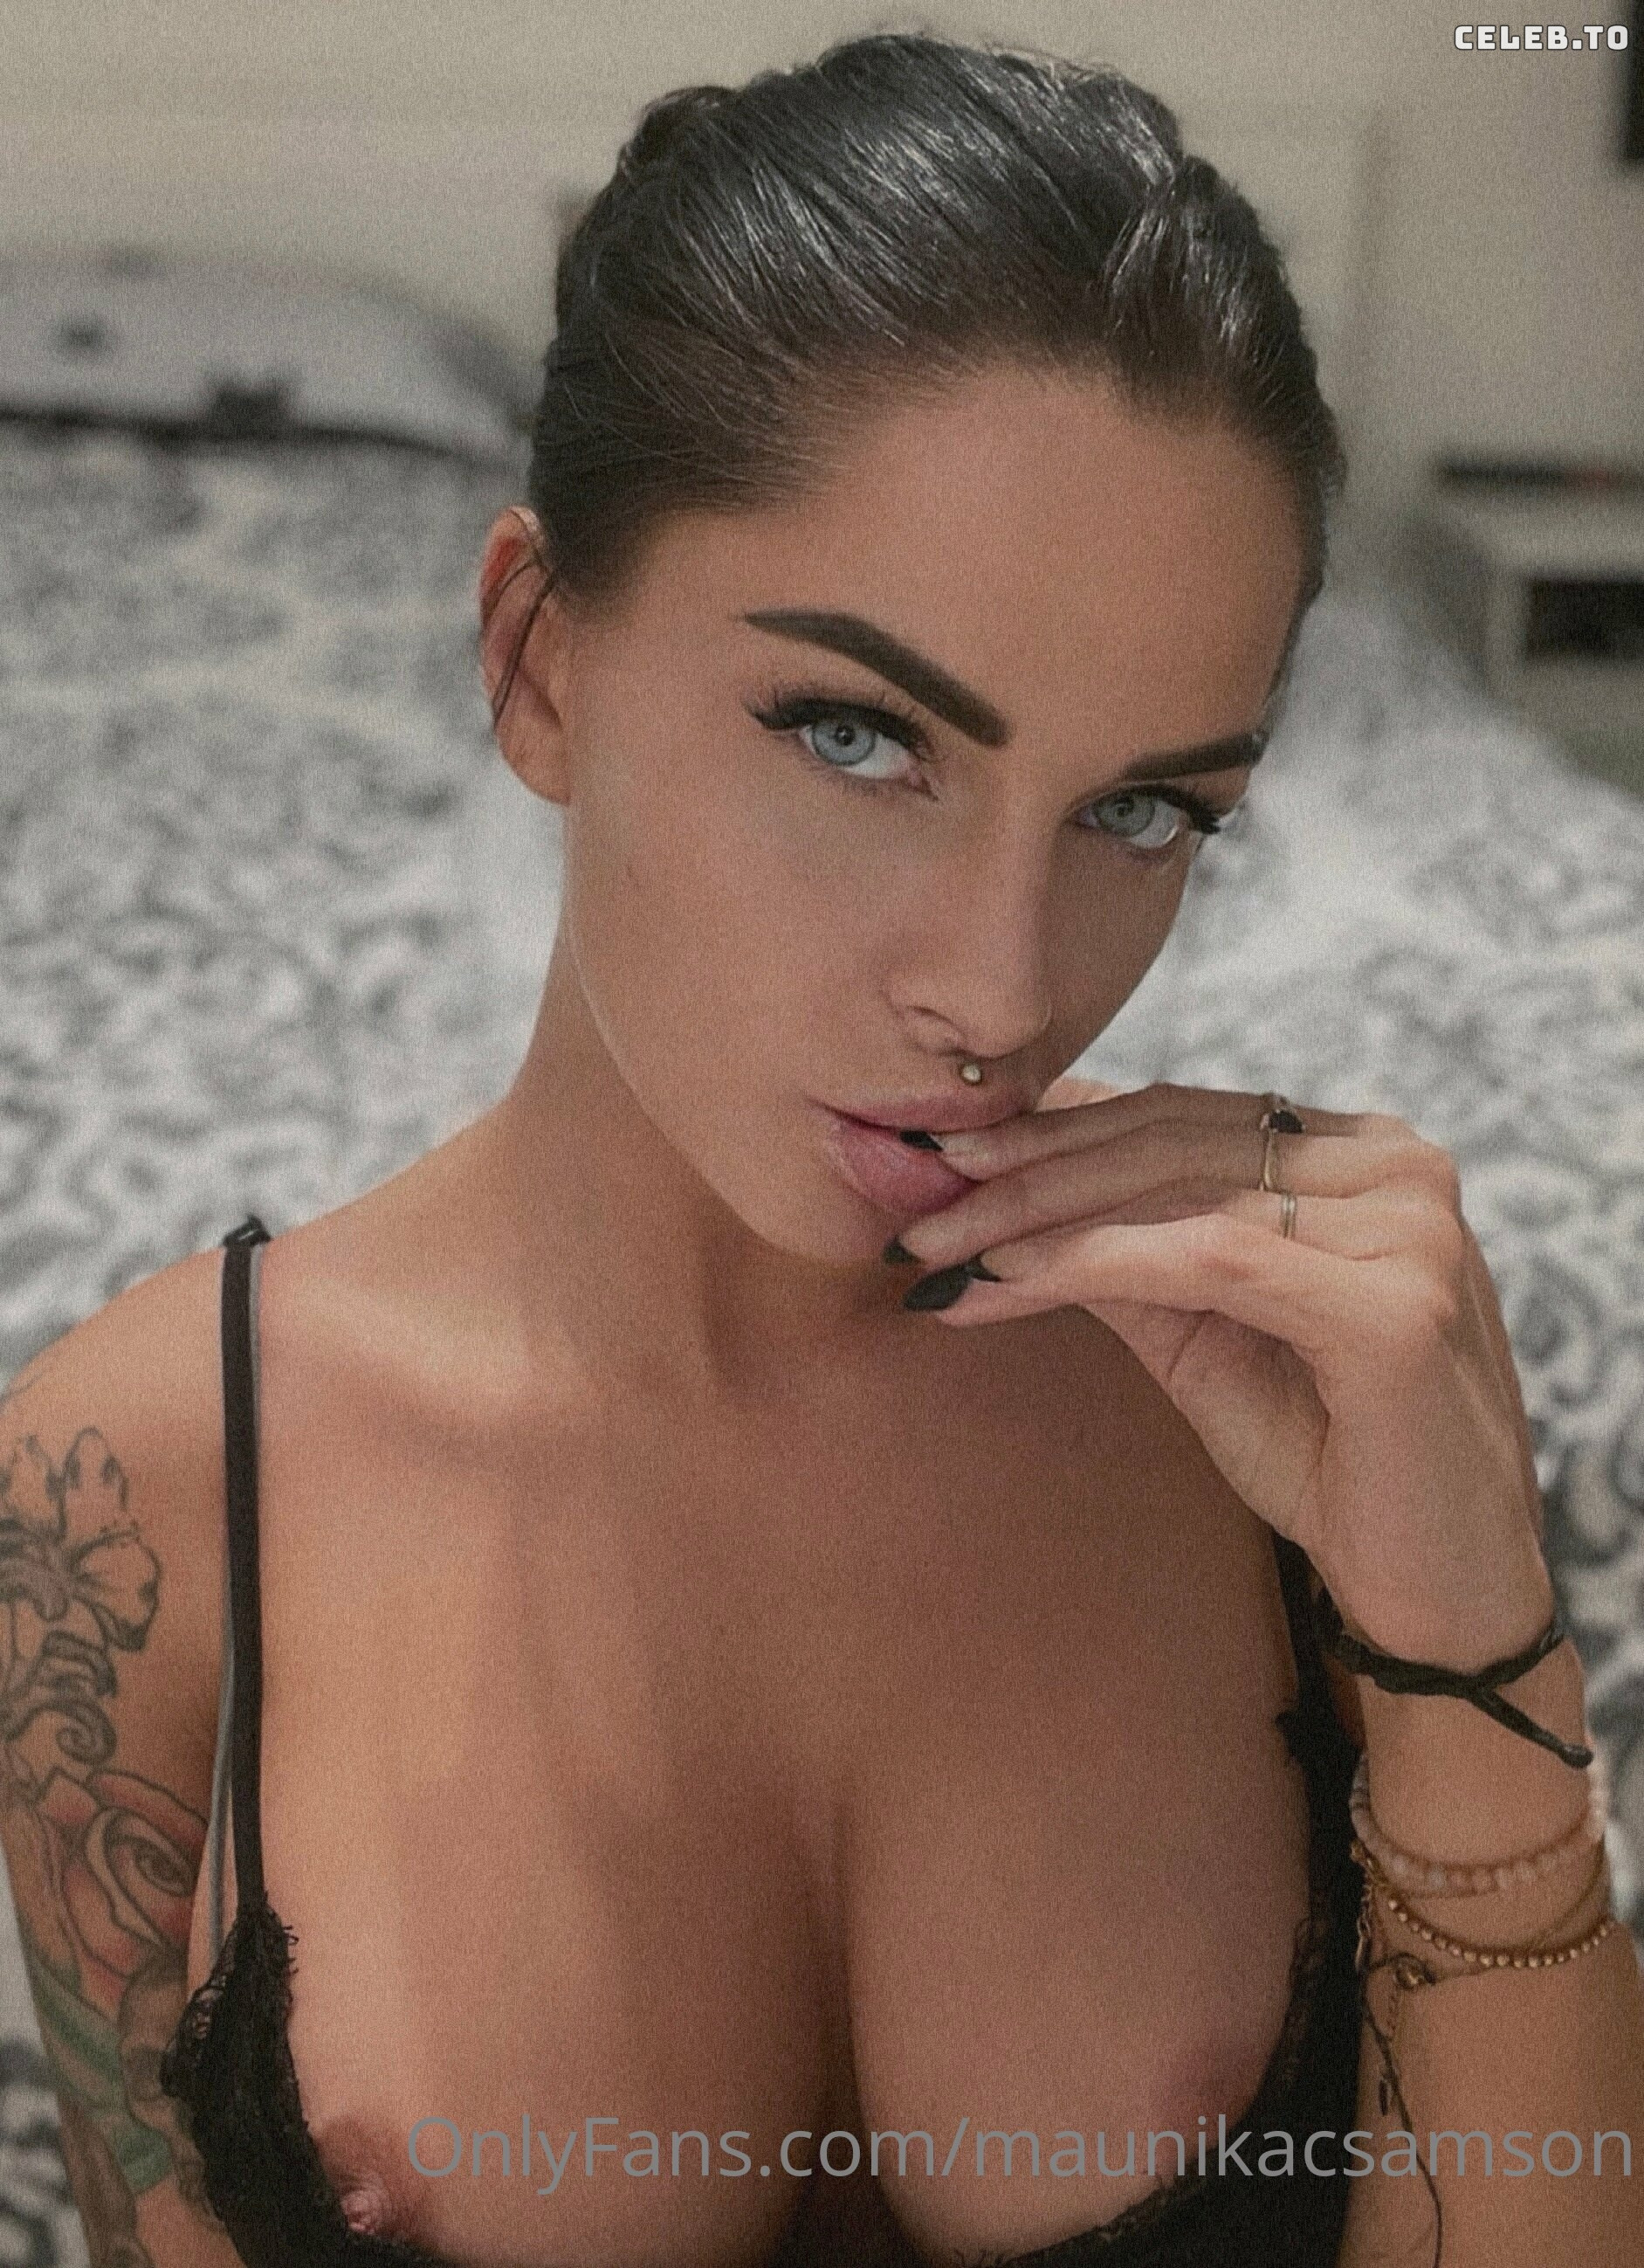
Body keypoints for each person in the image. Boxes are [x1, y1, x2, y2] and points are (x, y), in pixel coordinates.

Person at [2, 30, 1640, 2268]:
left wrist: (1476, 1650)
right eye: (859, 736)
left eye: (1145, 809)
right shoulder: (130, 1495)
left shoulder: (1310, 1411)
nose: (1002, 987)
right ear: (539, 662)